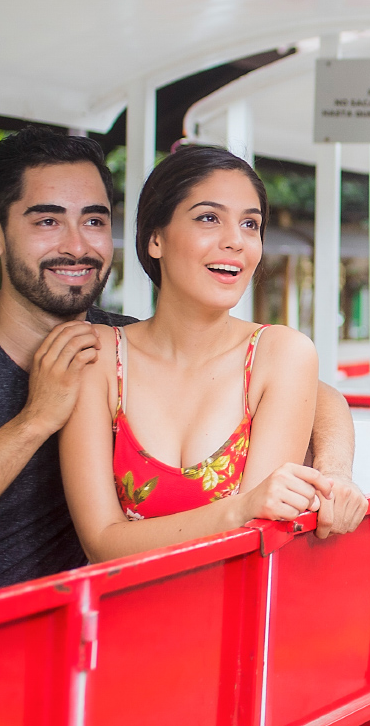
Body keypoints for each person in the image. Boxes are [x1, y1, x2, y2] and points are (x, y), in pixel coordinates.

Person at [0, 129, 366, 640]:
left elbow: (312, 392)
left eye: (93, 220)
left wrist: (333, 475)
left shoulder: (116, 346)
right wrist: (36, 417)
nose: (76, 244)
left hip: (56, 611)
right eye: (46, 220)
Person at [61, 145, 329, 560]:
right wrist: (238, 508)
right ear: (155, 239)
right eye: (209, 218)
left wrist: (335, 469)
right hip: (123, 615)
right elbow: (101, 543)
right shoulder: (96, 356)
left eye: (250, 224)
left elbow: (257, 539)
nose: (235, 241)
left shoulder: (281, 354)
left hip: (238, 615)